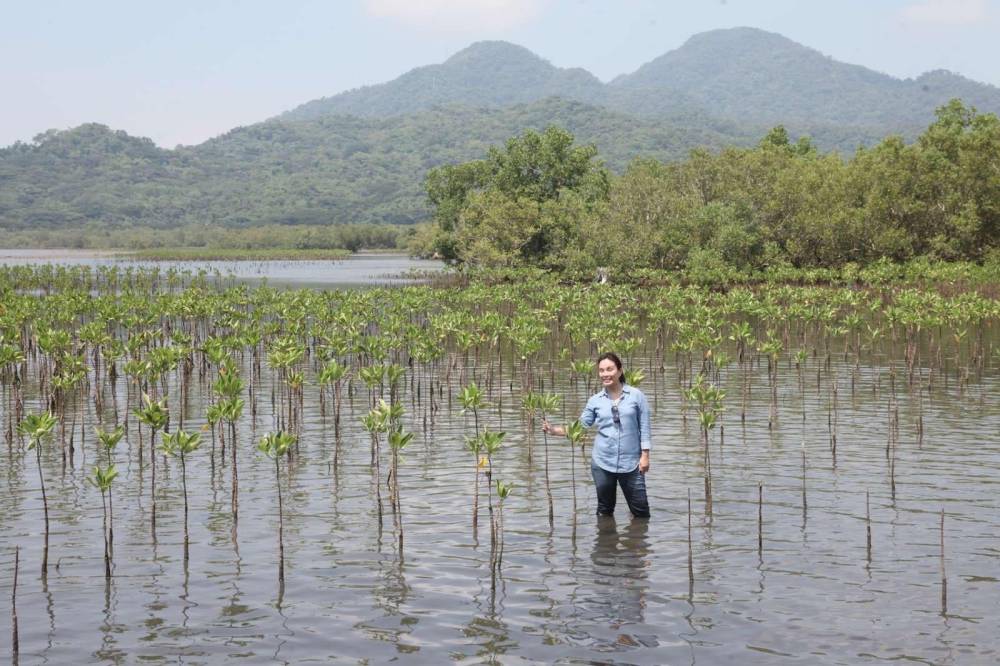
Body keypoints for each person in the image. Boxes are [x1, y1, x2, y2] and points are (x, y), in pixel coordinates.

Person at [544, 352, 651, 518]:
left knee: (641, 512)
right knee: (604, 511)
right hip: (602, 463)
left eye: (610, 369)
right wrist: (554, 430)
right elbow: (580, 427)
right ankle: (606, 542)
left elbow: (645, 427)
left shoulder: (636, 396)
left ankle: (638, 542)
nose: (605, 374)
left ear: (620, 371)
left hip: (631, 464)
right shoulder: (595, 400)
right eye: (601, 370)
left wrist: (645, 455)